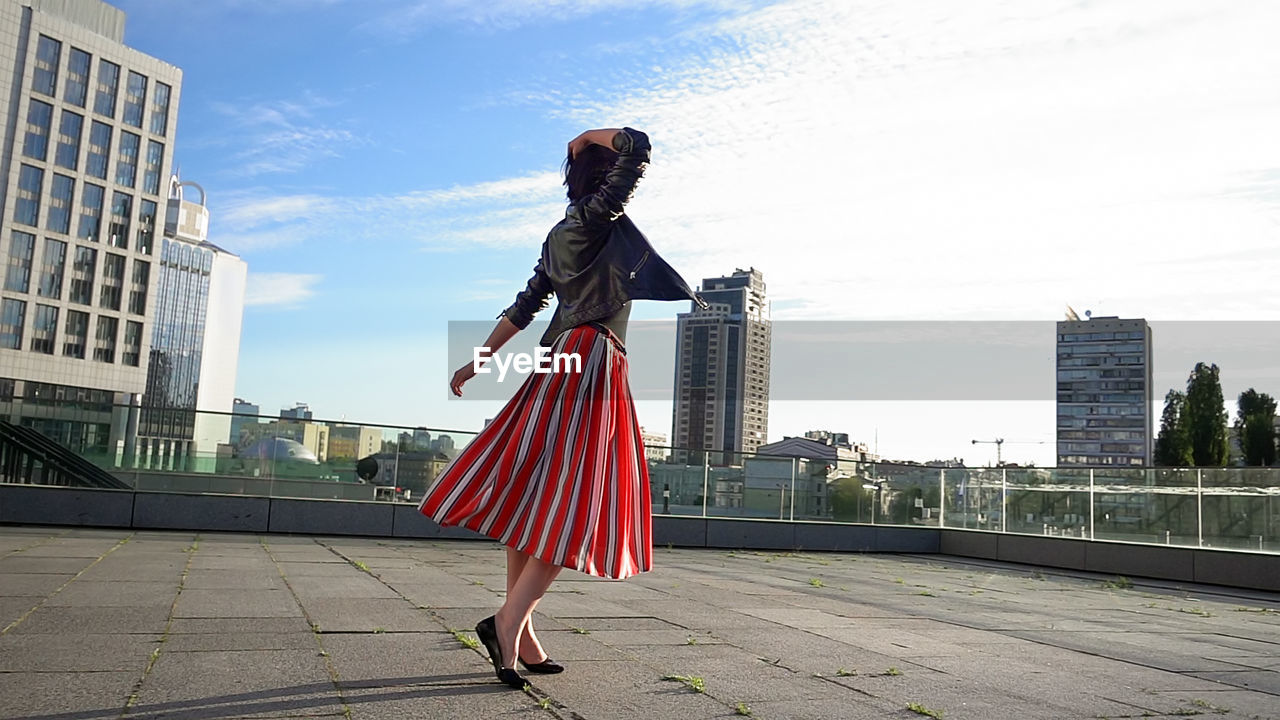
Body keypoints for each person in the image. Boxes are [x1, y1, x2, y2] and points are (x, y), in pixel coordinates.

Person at [417, 126, 707, 689]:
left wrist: (476, 362)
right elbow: (637, 146)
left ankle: (520, 633)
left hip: (560, 358)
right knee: (572, 502)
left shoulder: (558, 234)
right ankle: (505, 623)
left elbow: (525, 307)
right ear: (602, 177)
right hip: (594, 356)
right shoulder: (598, 217)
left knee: (539, 494)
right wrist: (585, 137)